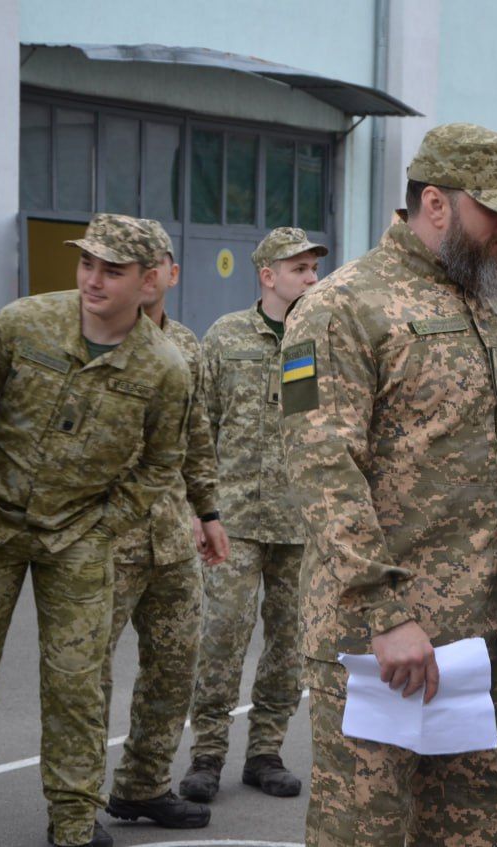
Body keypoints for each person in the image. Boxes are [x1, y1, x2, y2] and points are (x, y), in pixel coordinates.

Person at [280, 122, 497, 846]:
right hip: (380, 646)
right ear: (434, 202)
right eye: (492, 209)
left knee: (478, 830)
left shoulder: (495, 304)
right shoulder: (342, 306)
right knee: (362, 832)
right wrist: (384, 610)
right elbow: (320, 466)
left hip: (482, 640)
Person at [0, 214, 193, 847]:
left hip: (80, 540)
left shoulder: (165, 367)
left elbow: (161, 464)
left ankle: (71, 820)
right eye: (87, 264)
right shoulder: (23, 323)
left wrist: (105, 524)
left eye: (112, 271)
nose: (93, 279)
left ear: (147, 281)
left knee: (77, 685)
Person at [180, 227, 326, 803]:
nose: (311, 279)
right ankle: (207, 755)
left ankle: (266, 750)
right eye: (299, 270)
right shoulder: (225, 337)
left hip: (300, 521)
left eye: (314, 270)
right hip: (233, 520)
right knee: (221, 638)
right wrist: (199, 509)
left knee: (289, 644)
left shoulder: (323, 338)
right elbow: (200, 427)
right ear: (268, 276)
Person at [100, 219, 229, 830]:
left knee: (176, 664)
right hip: (106, 540)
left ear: (169, 274)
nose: (145, 275)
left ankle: (143, 784)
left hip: (173, 536)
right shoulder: (93, 339)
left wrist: (209, 513)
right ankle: (71, 807)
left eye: (155, 264)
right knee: (86, 679)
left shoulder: (187, 347)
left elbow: (196, 437)